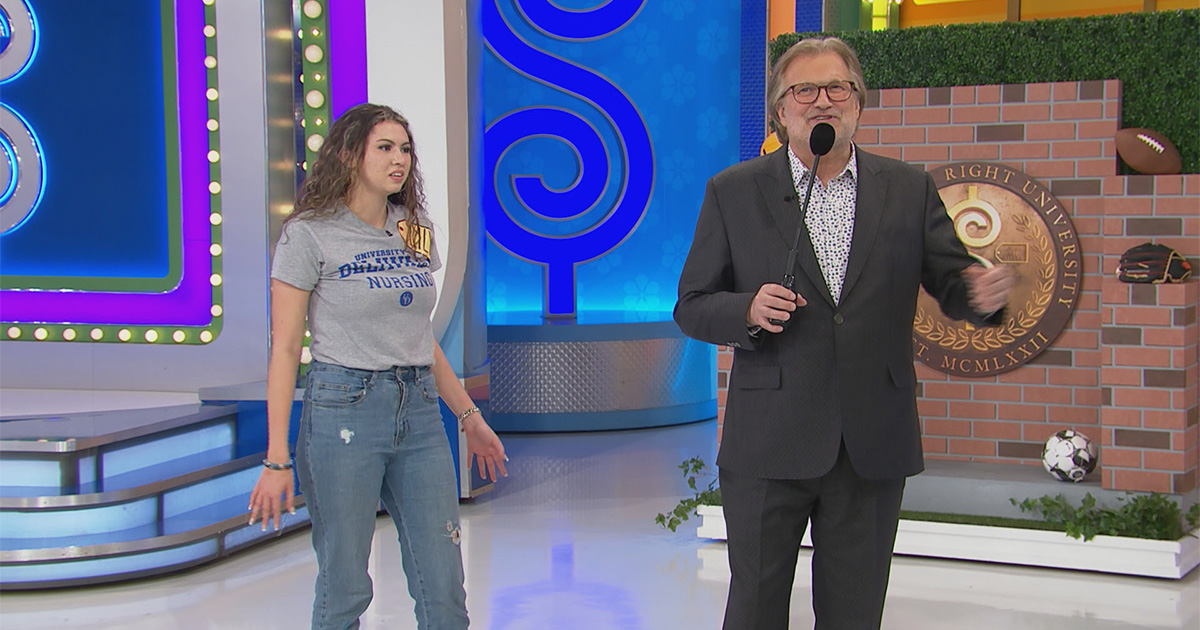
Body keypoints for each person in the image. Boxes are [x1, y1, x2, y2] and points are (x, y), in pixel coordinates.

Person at [674, 37, 1014, 630]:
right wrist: (747, 310)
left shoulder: (908, 189)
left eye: (838, 88)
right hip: (769, 442)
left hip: (870, 440)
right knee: (754, 610)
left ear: (859, 103)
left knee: (855, 614)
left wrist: (980, 297)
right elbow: (692, 305)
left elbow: (952, 282)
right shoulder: (734, 190)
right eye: (805, 90)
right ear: (781, 111)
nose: (822, 101)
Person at [248, 103, 507, 630]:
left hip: (419, 413)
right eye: (385, 148)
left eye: (405, 149)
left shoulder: (415, 230)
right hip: (344, 409)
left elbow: (420, 338)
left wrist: (469, 417)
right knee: (345, 585)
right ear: (349, 154)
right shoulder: (310, 235)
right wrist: (277, 460)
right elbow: (284, 350)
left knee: (443, 584)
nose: (400, 160)